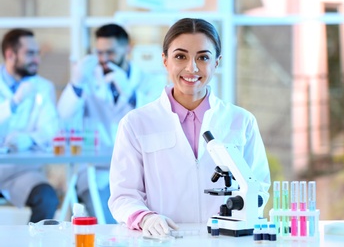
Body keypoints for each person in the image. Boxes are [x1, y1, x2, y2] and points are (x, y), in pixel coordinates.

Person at [108, 18, 271, 236]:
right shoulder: (136, 123)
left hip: (225, 239)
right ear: (165, 60)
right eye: (180, 56)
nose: (191, 67)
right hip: (164, 239)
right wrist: (145, 218)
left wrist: (239, 218)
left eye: (203, 57)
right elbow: (123, 195)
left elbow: (258, 185)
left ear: (217, 62)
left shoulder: (242, 122)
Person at [57, 23, 165, 224]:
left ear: (128, 49)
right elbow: (64, 115)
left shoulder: (149, 82)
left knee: (142, 216)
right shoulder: (88, 80)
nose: (104, 59)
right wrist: (77, 84)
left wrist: (131, 95)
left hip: (138, 169)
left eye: (110, 53)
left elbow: (156, 122)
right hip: (95, 170)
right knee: (107, 219)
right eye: (99, 53)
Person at [0, 28, 59, 223]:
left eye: (37, 53)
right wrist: (13, 104)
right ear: (10, 55)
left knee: (47, 198)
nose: (37, 59)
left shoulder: (43, 87)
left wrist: (29, 139)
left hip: (22, 172)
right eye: (30, 53)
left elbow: (51, 132)